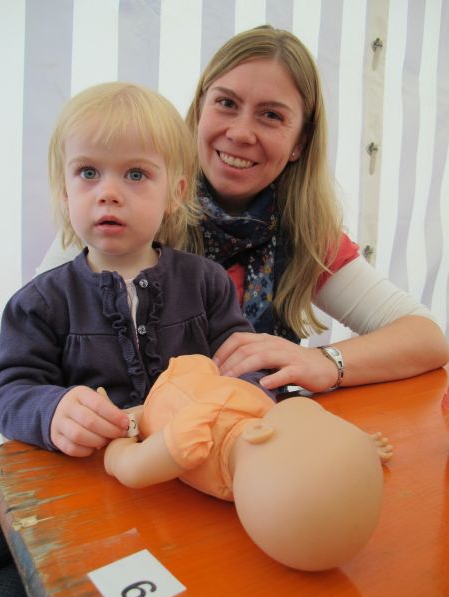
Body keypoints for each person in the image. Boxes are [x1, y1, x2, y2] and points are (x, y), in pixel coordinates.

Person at [38, 25, 448, 393]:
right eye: (226, 103)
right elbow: (30, 348)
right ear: (200, 108)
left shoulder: (302, 234)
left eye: (271, 115)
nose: (240, 133)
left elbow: (428, 337)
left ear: (300, 143)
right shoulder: (124, 212)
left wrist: (325, 361)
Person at [0, 81, 265, 458]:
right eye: (88, 172)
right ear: (65, 193)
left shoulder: (206, 283)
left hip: (192, 465)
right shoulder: (37, 304)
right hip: (89, 478)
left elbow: (245, 367)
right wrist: (52, 411)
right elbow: (11, 392)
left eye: (136, 174)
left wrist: (243, 402)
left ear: (175, 193)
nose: (108, 193)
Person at [104, 354, 392, 571]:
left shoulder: (190, 438)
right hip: (210, 380)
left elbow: (129, 469)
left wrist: (123, 431)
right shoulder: (262, 481)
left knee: (146, 414)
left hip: (170, 392)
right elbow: (314, 474)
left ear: (259, 431)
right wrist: (357, 448)